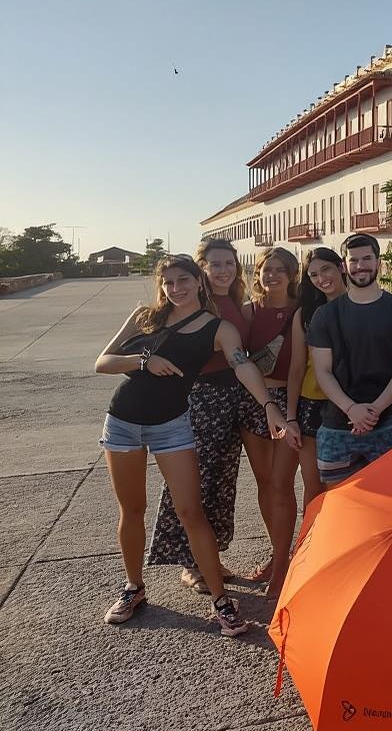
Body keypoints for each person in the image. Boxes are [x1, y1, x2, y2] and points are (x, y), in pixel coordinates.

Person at [96, 255, 282, 635]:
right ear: (161, 286)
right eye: (169, 282)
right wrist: (146, 360)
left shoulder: (218, 327)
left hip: (172, 425)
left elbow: (242, 365)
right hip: (124, 422)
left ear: (199, 281)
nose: (176, 288)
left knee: (191, 511)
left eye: (184, 280)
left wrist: (268, 406)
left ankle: (221, 600)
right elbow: (104, 362)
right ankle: (133, 588)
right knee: (132, 509)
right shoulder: (144, 317)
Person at [147, 238, 255, 591]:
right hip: (200, 398)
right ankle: (190, 563)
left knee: (221, 483)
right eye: (215, 264)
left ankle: (211, 556)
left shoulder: (233, 302)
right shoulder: (196, 305)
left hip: (231, 397)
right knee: (194, 482)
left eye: (229, 263)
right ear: (202, 270)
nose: (224, 270)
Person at [308, 234, 392, 485]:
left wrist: (374, 411)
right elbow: (323, 371)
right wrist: (351, 409)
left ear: (378, 262)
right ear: (344, 266)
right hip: (338, 426)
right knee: (341, 508)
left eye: (367, 258)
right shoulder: (325, 316)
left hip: (389, 424)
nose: (361, 266)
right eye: (354, 260)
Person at [273, 247, 347, 596]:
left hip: (353, 408)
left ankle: (344, 553)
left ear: (341, 268)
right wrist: (290, 416)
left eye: (327, 270)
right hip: (311, 407)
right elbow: (295, 368)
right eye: (314, 274)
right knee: (314, 488)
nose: (322, 279)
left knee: (349, 488)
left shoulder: (361, 304)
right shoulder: (306, 313)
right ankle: (309, 559)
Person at [242, 247, 301, 586]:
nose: (272, 275)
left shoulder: (299, 313)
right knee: (265, 485)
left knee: (281, 485)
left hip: (287, 402)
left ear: (292, 275)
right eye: (266, 269)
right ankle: (277, 552)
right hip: (254, 401)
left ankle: (281, 567)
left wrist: (289, 414)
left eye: (280, 269)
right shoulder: (249, 312)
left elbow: (296, 368)